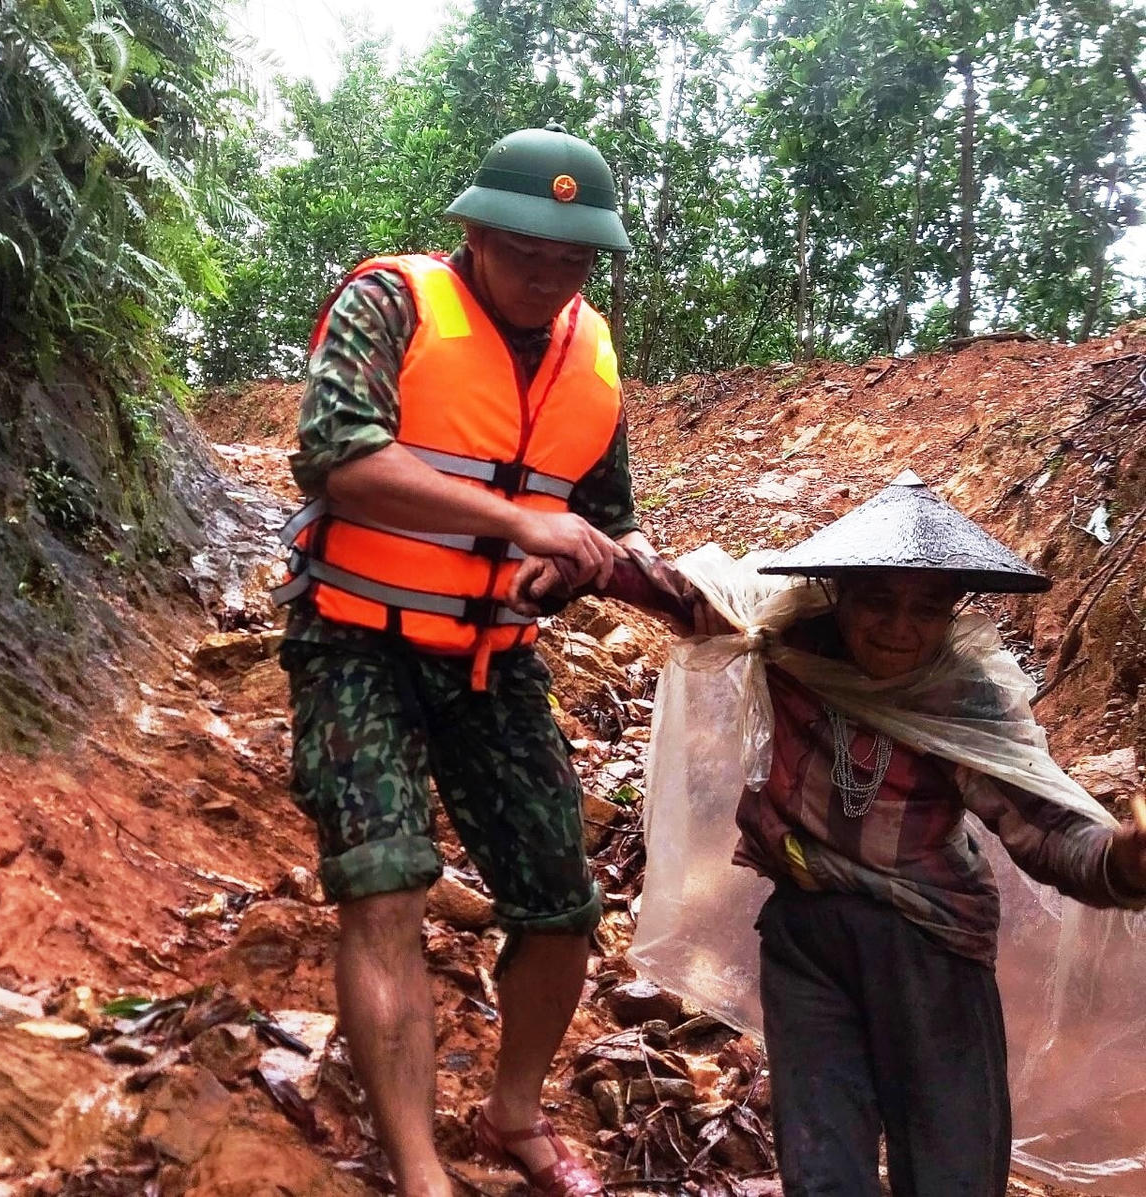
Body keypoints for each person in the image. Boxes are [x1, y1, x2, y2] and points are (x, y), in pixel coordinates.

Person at [521, 470, 1146, 1196]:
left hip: (931, 946)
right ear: (839, 592)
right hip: (808, 938)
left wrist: (1125, 862)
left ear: (953, 611)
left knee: (951, 1172)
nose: (900, 628)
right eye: (878, 600)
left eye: (927, 608)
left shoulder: (963, 693)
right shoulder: (788, 637)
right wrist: (593, 563)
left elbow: (1045, 829)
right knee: (823, 1170)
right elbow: (688, 593)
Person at [273, 124, 655, 1197]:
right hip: (355, 641)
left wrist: (576, 568)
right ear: (477, 234)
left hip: (494, 659)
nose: (548, 277)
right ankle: (419, 1169)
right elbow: (339, 458)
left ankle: (513, 1113)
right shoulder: (392, 303)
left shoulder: (593, 355)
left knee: (562, 904)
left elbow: (607, 520)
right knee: (385, 885)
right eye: (527, 252)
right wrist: (521, 523)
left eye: (573, 260)